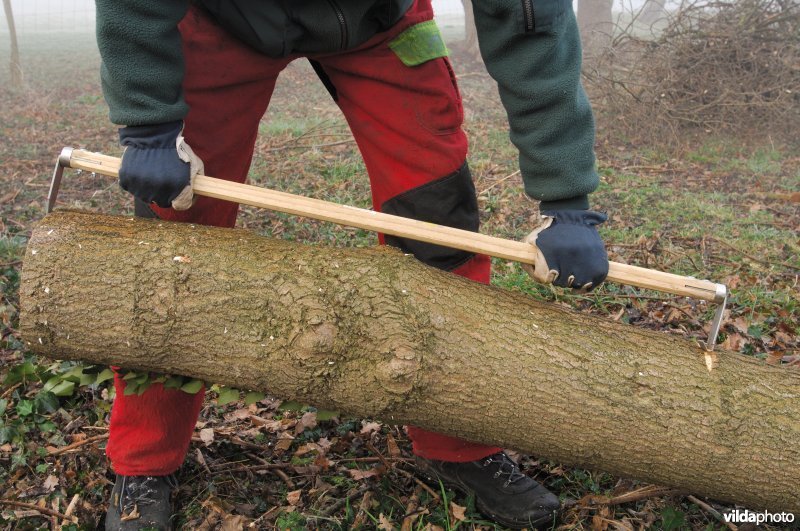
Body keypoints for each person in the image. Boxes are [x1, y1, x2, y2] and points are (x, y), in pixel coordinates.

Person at [94, 0, 608, 529]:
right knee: (176, 233)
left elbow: (529, 19)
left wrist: (566, 200)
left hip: (379, 21)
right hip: (222, 17)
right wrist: (149, 123)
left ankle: (459, 444)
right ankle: (144, 461)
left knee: (438, 220)